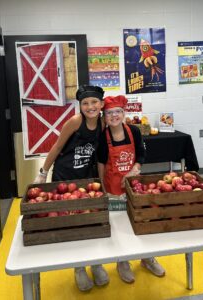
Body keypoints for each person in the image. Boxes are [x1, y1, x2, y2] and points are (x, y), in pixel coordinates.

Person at [34, 85, 109, 292]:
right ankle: (79, 268)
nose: (90, 106)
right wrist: (42, 172)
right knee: (72, 222)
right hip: (65, 177)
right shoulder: (76, 122)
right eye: (85, 103)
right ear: (80, 106)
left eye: (94, 102)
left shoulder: (103, 123)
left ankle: (96, 262)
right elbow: (57, 146)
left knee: (91, 220)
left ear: (101, 104)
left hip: (86, 178)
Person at [97, 95, 166, 284]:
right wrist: (103, 188)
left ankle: (147, 258)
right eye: (109, 113)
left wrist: (133, 171)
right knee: (119, 228)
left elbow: (142, 155)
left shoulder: (134, 131)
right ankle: (122, 261)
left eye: (117, 112)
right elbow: (101, 163)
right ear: (104, 116)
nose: (114, 116)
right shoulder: (103, 137)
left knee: (141, 221)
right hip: (113, 189)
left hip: (134, 187)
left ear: (123, 113)